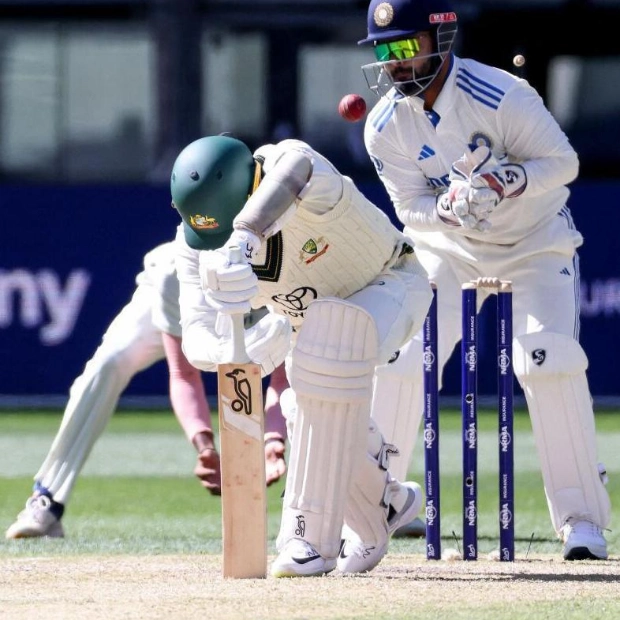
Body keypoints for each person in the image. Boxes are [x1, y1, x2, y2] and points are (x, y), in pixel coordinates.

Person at [357, 0, 611, 560]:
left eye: (404, 47)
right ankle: (378, 505)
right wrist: (447, 211)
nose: (394, 63)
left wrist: (504, 182)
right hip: (450, 250)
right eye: (384, 50)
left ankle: (582, 523)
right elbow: (410, 209)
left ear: (439, 38)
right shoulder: (384, 126)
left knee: (545, 360)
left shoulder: (501, 94)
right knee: (403, 357)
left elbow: (562, 163)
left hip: (534, 243)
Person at [169, 134, 433, 576]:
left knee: (320, 354)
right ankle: (385, 502)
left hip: (393, 283)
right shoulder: (195, 240)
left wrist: (245, 233)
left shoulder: (289, 166)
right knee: (298, 402)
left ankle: (307, 539)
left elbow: (296, 167)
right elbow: (195, 340)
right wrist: (236, 343)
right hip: (311, 327)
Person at [6, 242, 288, 539]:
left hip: (257, 302)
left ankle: (306, 519)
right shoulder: (176, 274)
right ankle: (47, 499)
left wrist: (273, 440)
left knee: (309, 376)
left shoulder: (284, 267)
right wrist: (205, 446)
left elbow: (283, 379)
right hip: (180, 300)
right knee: (108, 365)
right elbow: (184, 374)